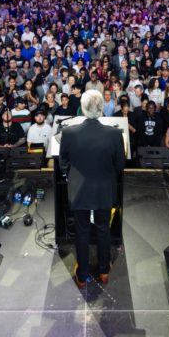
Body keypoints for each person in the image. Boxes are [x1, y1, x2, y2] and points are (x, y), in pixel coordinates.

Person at [59, 90, 125, 288]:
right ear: (101, 108)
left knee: (82, 230)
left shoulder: (69, 133)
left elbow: (63, 164)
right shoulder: (115, 134)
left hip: (79, 189)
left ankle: (82, 275)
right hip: (104, 189)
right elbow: (119, 165)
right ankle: (104, 271)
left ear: (83, 108)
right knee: (103, 228)